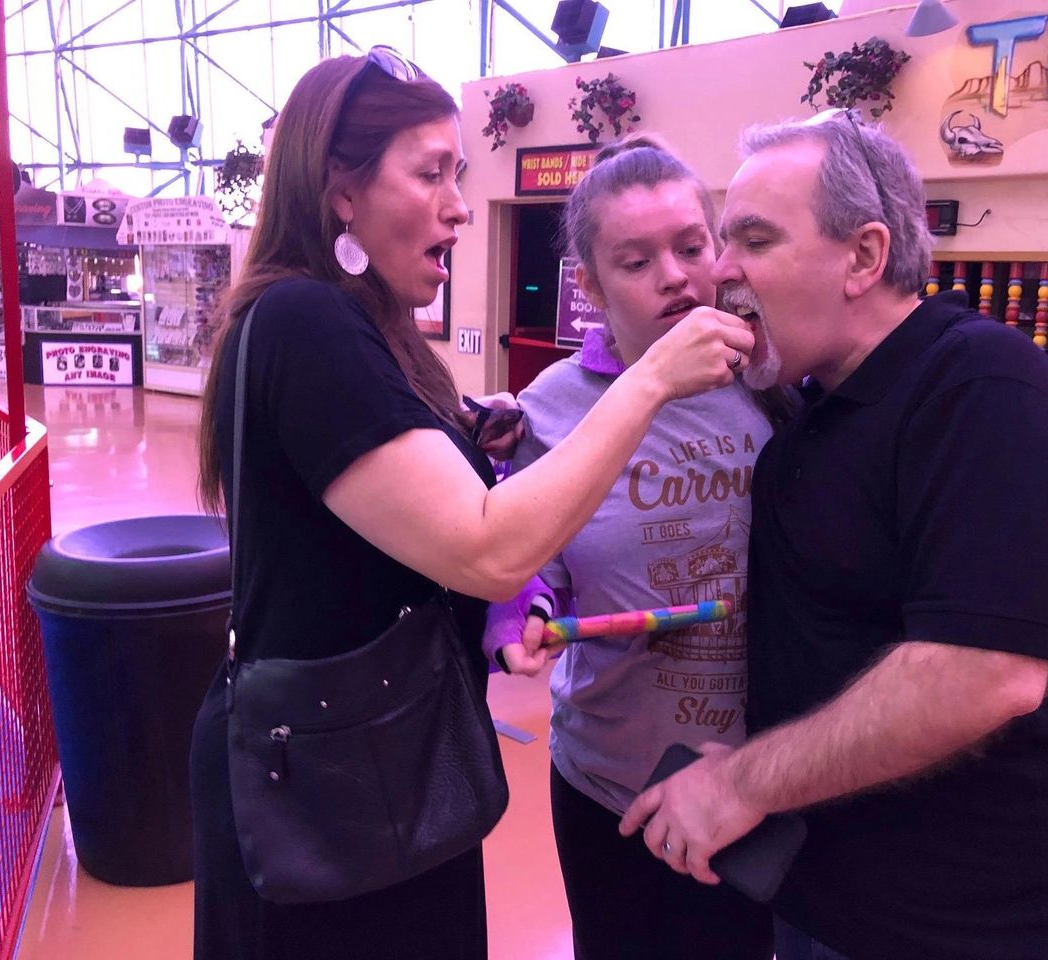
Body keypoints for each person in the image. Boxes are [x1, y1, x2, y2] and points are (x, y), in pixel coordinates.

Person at [188, 49, 752, 960]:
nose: (458, 203)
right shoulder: (306, 320)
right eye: (430, 173)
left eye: (460, 172)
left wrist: (465, 436)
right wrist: (648, 382)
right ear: (340, 193)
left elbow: (400, 501)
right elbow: (488, 551)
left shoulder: (365, 332)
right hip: (336, 777)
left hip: (381, 756)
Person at [619, 111, 1048, 960]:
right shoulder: (812, 412)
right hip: (831, 907)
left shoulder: (985, 392)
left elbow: (980, 674)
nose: (718, 272)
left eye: (751, 238)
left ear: (863, 256)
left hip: (993, 933)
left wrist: (741, 783)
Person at [483, 137, 789, 960]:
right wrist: (525, 615)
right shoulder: (549, 409)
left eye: (691, 247)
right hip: (608, 780)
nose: (676, 277)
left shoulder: (775, 384)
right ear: (590, 285)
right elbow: (524, 561)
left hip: (756, 776)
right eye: (636, 260)